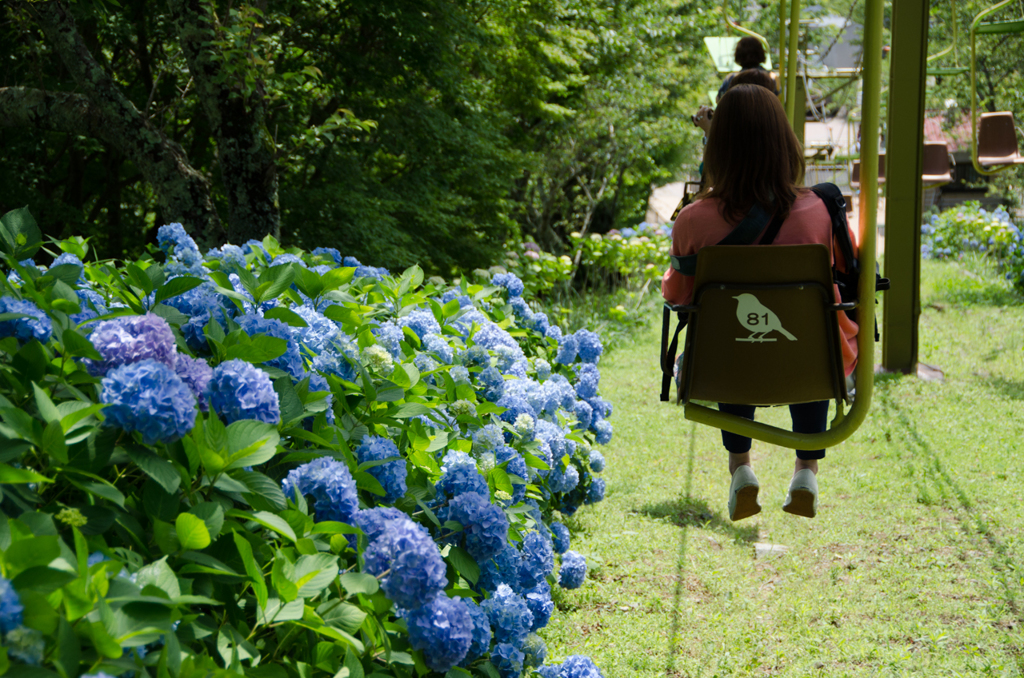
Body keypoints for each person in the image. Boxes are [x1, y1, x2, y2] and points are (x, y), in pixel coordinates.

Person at [661, 84, 859, 522]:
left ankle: (741, 470)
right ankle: (806, 471)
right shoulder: (820, 211)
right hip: (813, 362)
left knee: (732, 338)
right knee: (810, 332)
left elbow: (677, 295)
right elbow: (847, 275)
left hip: (726, 366)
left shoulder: (694, 219)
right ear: (784, 142)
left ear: (719, 147)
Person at [717, 37, 779, 101]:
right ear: (761, 53)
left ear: (738, 55)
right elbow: (778, 100)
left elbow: (720, 99)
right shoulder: (772, 77)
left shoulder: (732, 78)